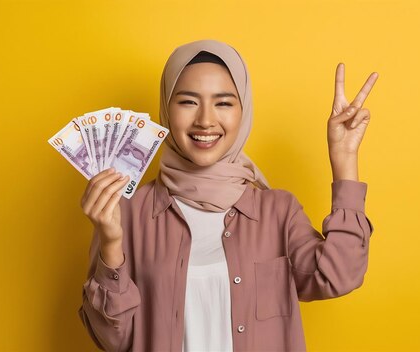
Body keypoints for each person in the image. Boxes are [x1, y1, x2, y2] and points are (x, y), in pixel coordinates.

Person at [77, 39, 377, 352]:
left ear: (243, 109)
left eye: (223, 103)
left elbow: (339, 276)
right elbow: (113, 339)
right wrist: (111, 244)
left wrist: (344, 160)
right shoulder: (128, 213)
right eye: (188, 102)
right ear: (166, 108)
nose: (205, 120)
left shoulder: (278, 212)